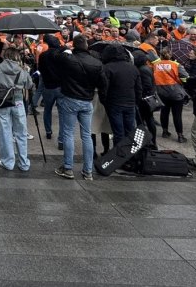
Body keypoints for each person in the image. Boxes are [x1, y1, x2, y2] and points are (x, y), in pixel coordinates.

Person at [50, 35, 105, 180]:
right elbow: (102, 83)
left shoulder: (68, 59)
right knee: (86, 135)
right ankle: (88, 171)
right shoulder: (96, 63)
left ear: (74, 46)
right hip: (87, 100)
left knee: (68, 133)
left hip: (70, 98)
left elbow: (54, 56)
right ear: (86, 46)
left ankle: (68, 168)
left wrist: (65, 48)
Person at [0, 47, 34, 171]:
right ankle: (24, 163)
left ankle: (8, 162)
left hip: (3, 101)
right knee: (21, 133)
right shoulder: (22, 69)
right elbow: (29, 85)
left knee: (5, 132)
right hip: (18, 101)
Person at [100, 43, 141, 153]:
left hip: (114, 103)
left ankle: (120, 156)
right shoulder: (133, 68)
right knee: (130, 130)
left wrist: (104, 101)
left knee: (118, 132)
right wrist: (136, 101)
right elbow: (138, 88)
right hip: (130, 103)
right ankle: (130, 155)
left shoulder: (107, 68)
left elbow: (104, 89)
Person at [154, 48, 189, 142]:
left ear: (160, 55)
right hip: (175, 92)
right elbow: (185, 77)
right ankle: (180, 136)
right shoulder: (176, 64)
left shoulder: (155, 65)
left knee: (164, 112)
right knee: (177, 115)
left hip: (161, 92)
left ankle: (165, 132)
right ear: (171, 55)